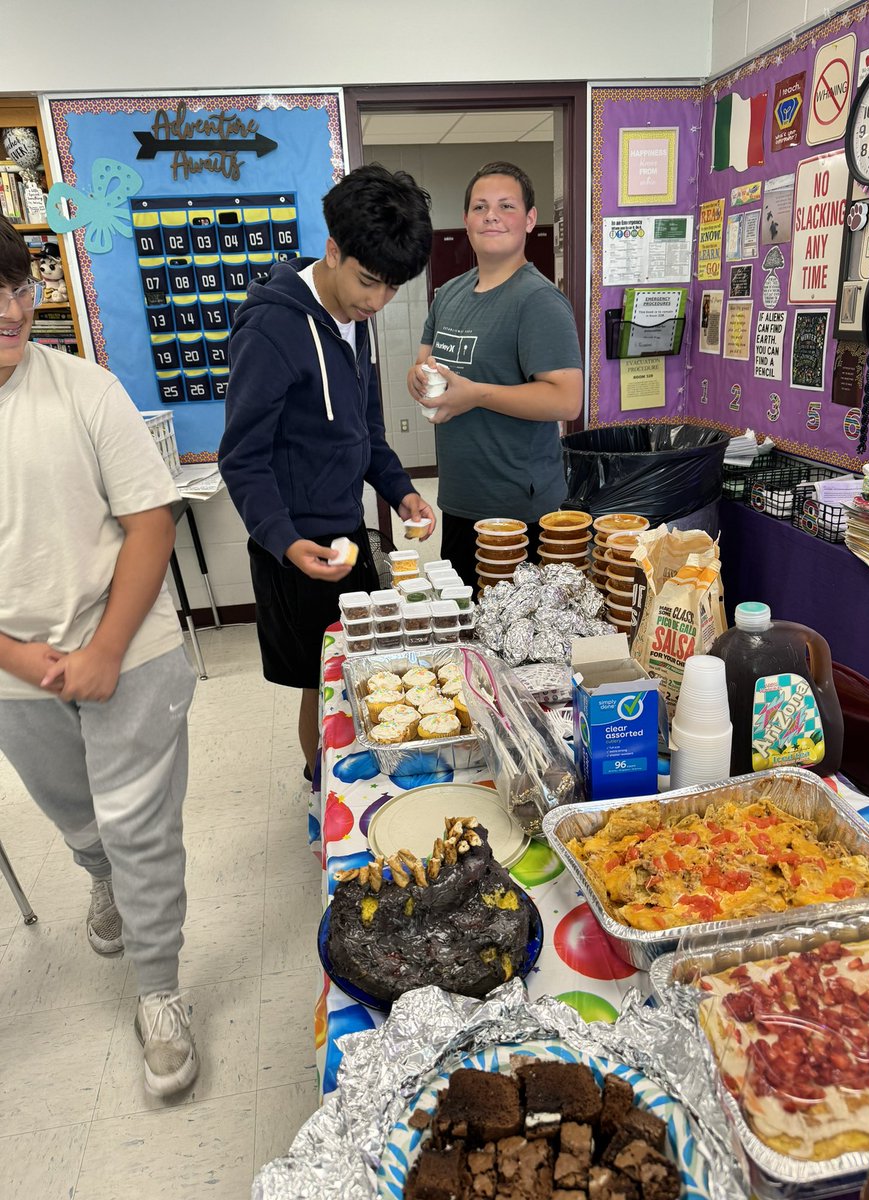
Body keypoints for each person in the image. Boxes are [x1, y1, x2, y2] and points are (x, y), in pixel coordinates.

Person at [0, 215, 199, 1096]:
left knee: (140, 828)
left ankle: (159, 993)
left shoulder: (85, 390)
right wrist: (17, 657)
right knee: (78, 819)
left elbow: (150, 522)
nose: (7, 310)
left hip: (132, 644)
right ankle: (97, 879)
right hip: (15, 671)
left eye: (13, 289)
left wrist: (107, 648)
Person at [219, 164, 435, 777]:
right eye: (369, 282)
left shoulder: (355, 321)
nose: (377, 301)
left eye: (392, 289)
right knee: (323, 687)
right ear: (333, 250)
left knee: (358, 676)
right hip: (295, 548)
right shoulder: (272, 327)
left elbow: (364, 431)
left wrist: (401, 492)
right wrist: (285, 542)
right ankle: (326, 797)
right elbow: (242, 457)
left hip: (346, 533)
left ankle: (352, 784)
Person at [407, 161, 584, 590]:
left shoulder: (537, 301)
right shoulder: (449, 294)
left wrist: (477, 396)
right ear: (465, 220)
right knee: (469, 632)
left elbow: (566, 400)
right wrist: (416, 377)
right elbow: (426, 364)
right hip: (460, 499)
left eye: (506, 206)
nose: (491, 215)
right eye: (480, 206)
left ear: (528, 220)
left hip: (517, 511)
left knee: (515, 644)